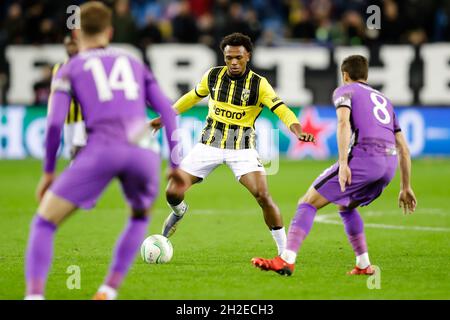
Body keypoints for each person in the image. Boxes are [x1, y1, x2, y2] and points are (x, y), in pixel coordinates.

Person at [24, 1, 183, 300]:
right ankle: (109, 289)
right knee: (138, 218)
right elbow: (168, 112)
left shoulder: (69, 68)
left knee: (44, 222)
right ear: (110, 32)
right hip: (142, 151)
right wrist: (176, 163)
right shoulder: (134, 62)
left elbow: (55, 124)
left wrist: (48, 172)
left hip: (102, 148)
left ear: (78, 32)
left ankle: (34, 295)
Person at [150, 32, 315, 256]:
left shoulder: (259, 84)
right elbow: (192, 97)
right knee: (172, 192)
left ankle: (284, 252)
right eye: (229, 58)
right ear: (224, 57)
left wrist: (297, 129)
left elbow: (282, 109)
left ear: (248, 56)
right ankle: (179, 212)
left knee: (263, 195)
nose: (233, 62)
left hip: (242, 149)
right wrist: (166, 116)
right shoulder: (213, 76)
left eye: (238, 57)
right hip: (208, 145)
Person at [252, 55, 417, 276]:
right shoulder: (385, 101)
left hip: (364, 158)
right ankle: (363, 264)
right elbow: (403, 148)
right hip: (388, 167)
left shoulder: (344, 91)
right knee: (346, 206)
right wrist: (405, 187)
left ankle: (286, 260)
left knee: (308, 202)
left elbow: (342, 122)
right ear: (366, 76)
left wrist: (343, 163)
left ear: (345, 75)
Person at [50, 34, 86, 159]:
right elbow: (54, 92)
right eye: (69, 45)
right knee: (72, 153)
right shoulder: (58, 68)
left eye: (73, 45)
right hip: (67, 118)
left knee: (79, 150)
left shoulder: (86, 65)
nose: (71, 48)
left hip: (83, 117)